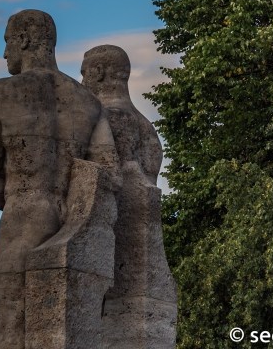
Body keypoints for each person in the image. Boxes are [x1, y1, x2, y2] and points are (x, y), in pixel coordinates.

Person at [0, 10, 116, 349]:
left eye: (7, 43)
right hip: (73, 230)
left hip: (21, 224)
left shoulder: (0, 93)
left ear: (22, 39)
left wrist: (19, 194)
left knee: (10, 328)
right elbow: (106, 174)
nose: (5, 53)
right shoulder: (90, 103)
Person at [81, 44, 177, 349]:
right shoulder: (146, 126)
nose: (82, 80)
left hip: (113, 244)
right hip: (146, 248)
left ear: (99, 72)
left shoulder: (106, 119)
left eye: (84, 72)